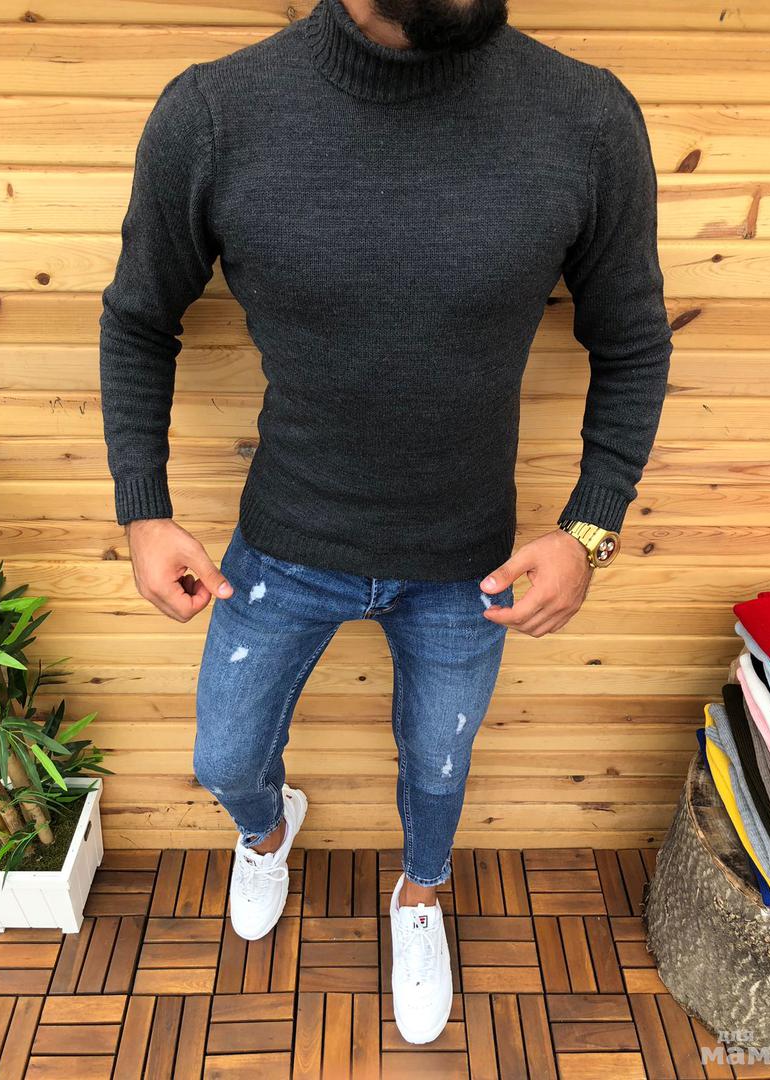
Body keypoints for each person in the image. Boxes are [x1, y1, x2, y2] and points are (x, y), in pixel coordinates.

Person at [98, 0, 672, 1045]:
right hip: (284, 544)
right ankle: (267, 833)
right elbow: (139, 318)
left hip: (468, 565)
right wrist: (143, 508)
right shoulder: (217, 113)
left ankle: (420, 893)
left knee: (438, 770)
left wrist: (590, 528)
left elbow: (632, 339)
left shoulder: (585, 120)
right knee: (225, 759)